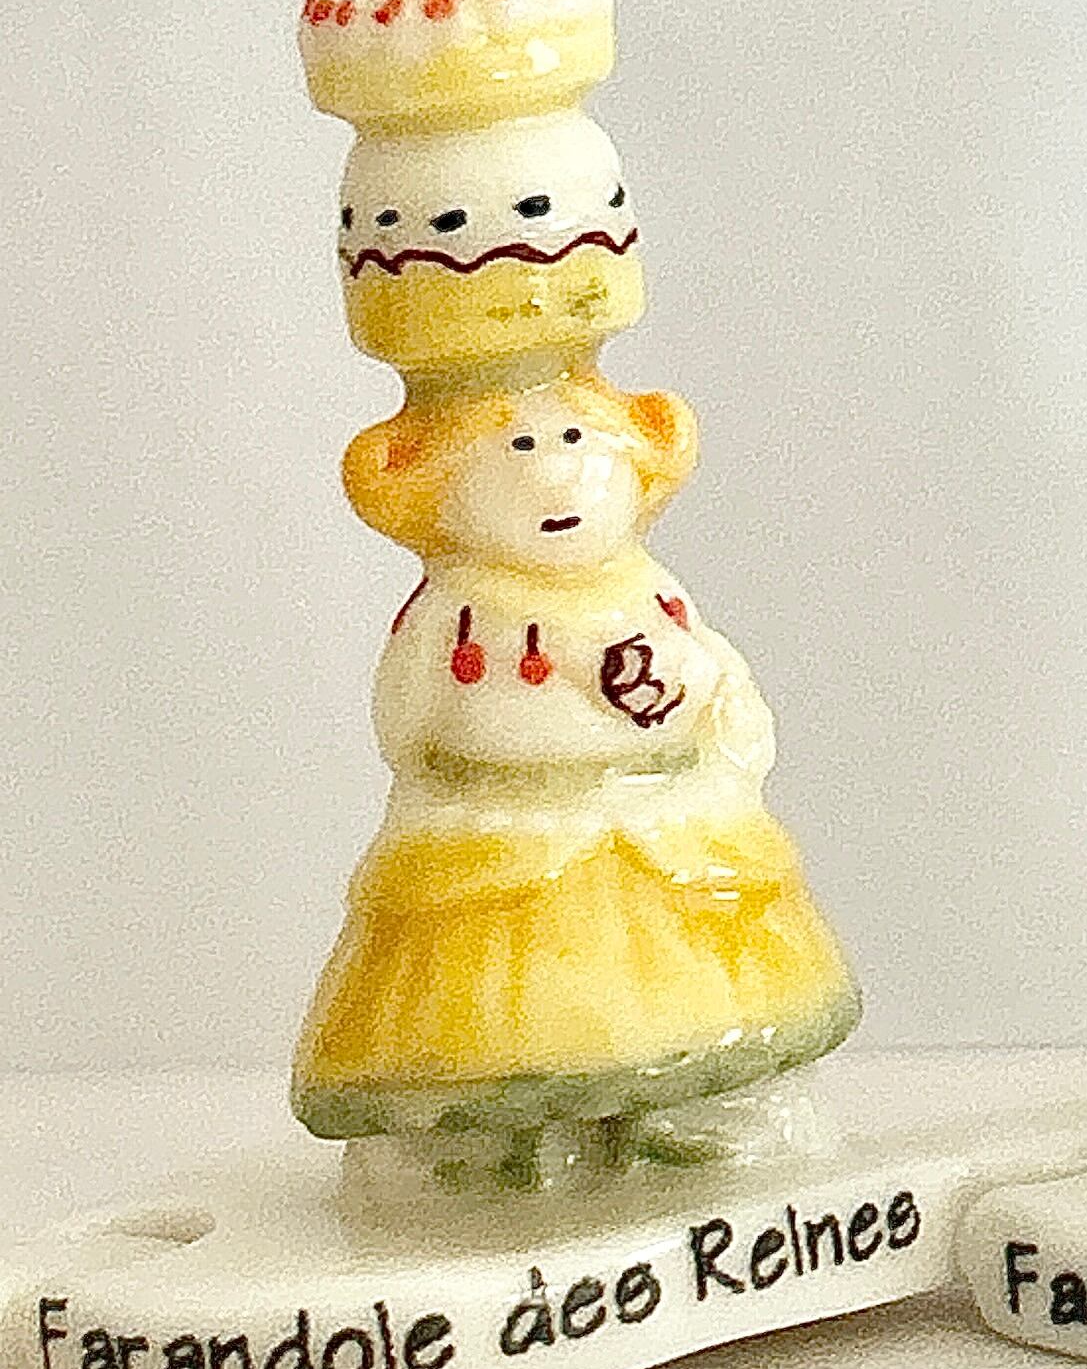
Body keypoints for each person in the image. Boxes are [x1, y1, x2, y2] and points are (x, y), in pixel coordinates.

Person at [294, 366, 860, 1197]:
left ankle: (681, 1119)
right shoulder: (452, 611)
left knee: (685, 988)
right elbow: (404, 723)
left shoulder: (650, 592)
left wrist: (710, 695)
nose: (555, 476)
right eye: (518, 446)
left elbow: (718, 680)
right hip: (496, 845)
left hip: (668, 827)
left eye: (575, 440)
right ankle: (499, 1145)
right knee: (498, 1011)